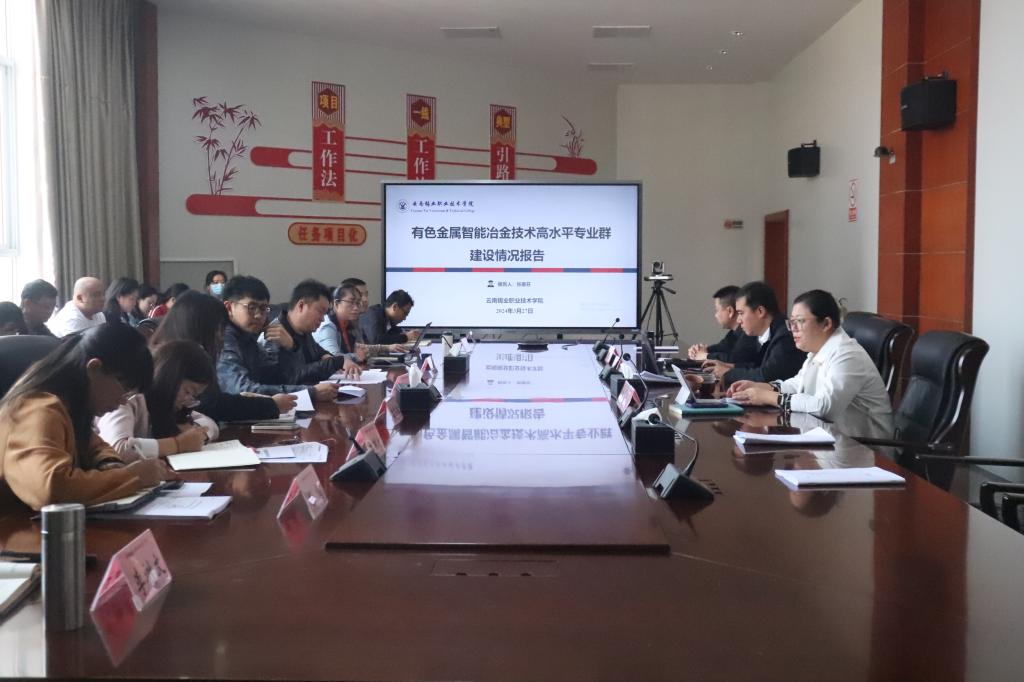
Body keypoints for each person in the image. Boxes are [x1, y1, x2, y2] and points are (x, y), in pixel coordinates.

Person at [0, 323, 173, 511]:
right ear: (94, 368)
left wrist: (110, 464)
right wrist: (133, 476)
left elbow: (96, 446)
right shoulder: (37, 409)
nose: (123, 401)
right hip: (14, 525)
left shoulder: (72, 408)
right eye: (124, 389)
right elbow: (50, 488)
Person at [727, 289, 895, 440]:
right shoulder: (818, 351)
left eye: (800, 321)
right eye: (791, 322)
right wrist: (762, 387)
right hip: (831, 439)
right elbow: (798, 384)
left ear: (826, 324)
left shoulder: (848, 354)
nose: (793, 329)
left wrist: (768, 397)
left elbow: (825, 407)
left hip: (868, 449)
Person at [150, 290, 295, 420]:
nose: (221, 336)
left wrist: (292, 348)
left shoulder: (190, 352)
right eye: (218, 329)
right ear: (199, 327)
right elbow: (211, 405)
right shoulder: (173, 360)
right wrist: (270, 405)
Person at [217, 275, 339, 401]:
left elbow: (277, 378)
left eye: (263, 308)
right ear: (229, 308)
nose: (259, 315)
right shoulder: (223, 338)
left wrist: (292, 347)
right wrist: (310, 392)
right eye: (251, 307)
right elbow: (244, 390)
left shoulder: (248, 336)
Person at [96, 341, 219, 461]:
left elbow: (210, 424)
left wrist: (198, 435)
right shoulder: (125, 401)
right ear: (170, 377)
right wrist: (178, 444)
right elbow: (117, 450)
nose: (188, 401)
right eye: (188, 391)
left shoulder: (166, 405)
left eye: (194, 396)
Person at [702, 281, 805, 387]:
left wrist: (727, 373)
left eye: (741, 313)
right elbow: (758, 366)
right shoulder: (765, 332)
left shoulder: (785, 336)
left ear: (760, 311)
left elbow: (767, 376)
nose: (739, 320)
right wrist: (729, 366)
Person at [262, 279, 361, 381]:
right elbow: (291, 378)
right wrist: (337, 362)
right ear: (301, 306)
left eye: (325, 313)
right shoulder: (275, 334)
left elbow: (320, 352)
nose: (323, 319)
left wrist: (327, 357)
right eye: (320, 311)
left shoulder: (304, 331)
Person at [314, 283, 405, 358]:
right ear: (336, 304)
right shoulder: (328, 326)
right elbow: (333, 357)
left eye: (358, 303)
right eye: (351, 302)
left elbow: (361, 348)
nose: (356, 308)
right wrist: (357, 356)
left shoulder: (349, 324)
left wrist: (388, 348)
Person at [687, 285, 759, 365]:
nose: (716, 315)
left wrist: (706, 356)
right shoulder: (734, 333)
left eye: (717, 310)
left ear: (730, 311)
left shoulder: (749, 332)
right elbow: (721, 347)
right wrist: (698, 351)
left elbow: (735, 360)